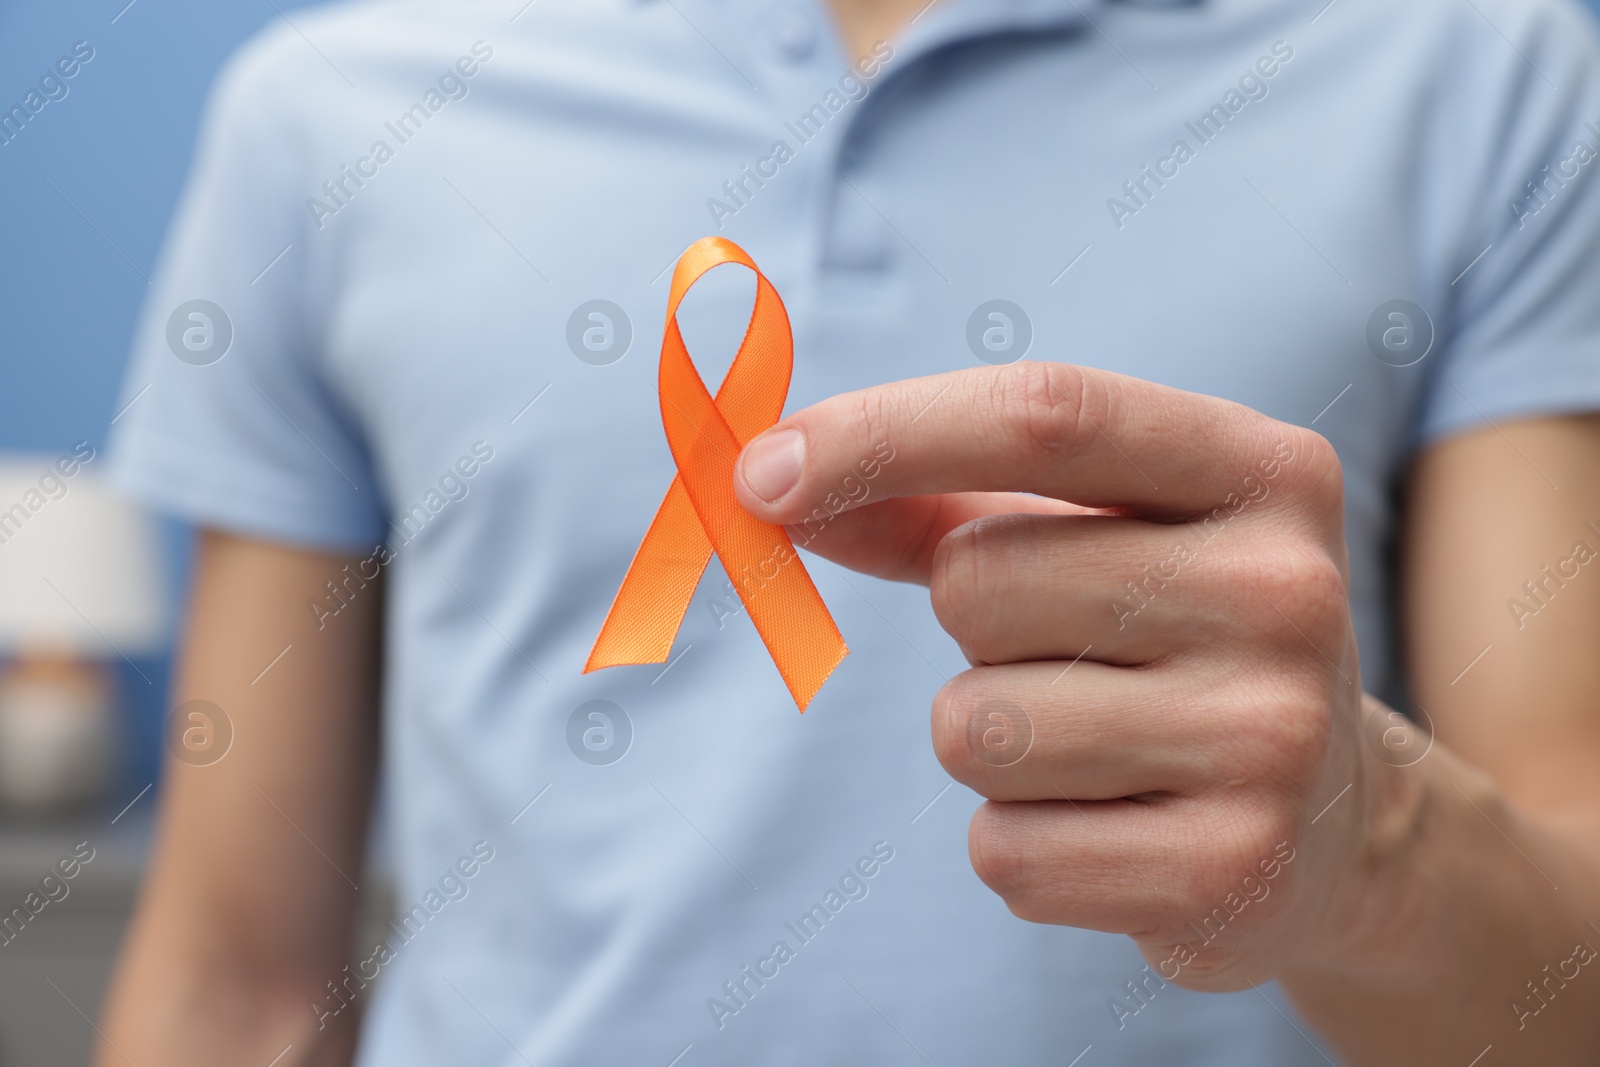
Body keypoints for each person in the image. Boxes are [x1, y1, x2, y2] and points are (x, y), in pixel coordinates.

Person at [98, 0, 1600, 1062]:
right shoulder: (329, 118)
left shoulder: (1487, 73)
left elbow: (1570, 991)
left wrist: (1373, 850)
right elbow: (232, 988)